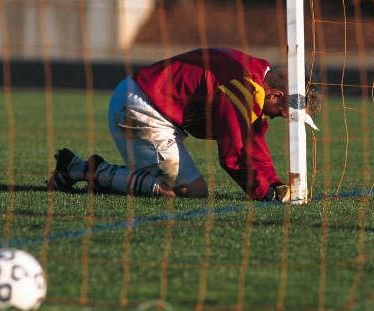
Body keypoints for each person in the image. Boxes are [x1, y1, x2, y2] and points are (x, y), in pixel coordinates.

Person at [49, 48, 320, 202]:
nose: (283, 118)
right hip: (141, 109)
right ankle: (83, 170)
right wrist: (264, 194)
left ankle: (81, 169)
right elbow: (233, 156)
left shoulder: (258, 77)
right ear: (277, 95)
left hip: (147, 103)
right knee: (192, 191)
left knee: (180, 185)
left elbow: (254, 140)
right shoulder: (246, 89)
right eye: (286, 112)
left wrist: (274, 182)